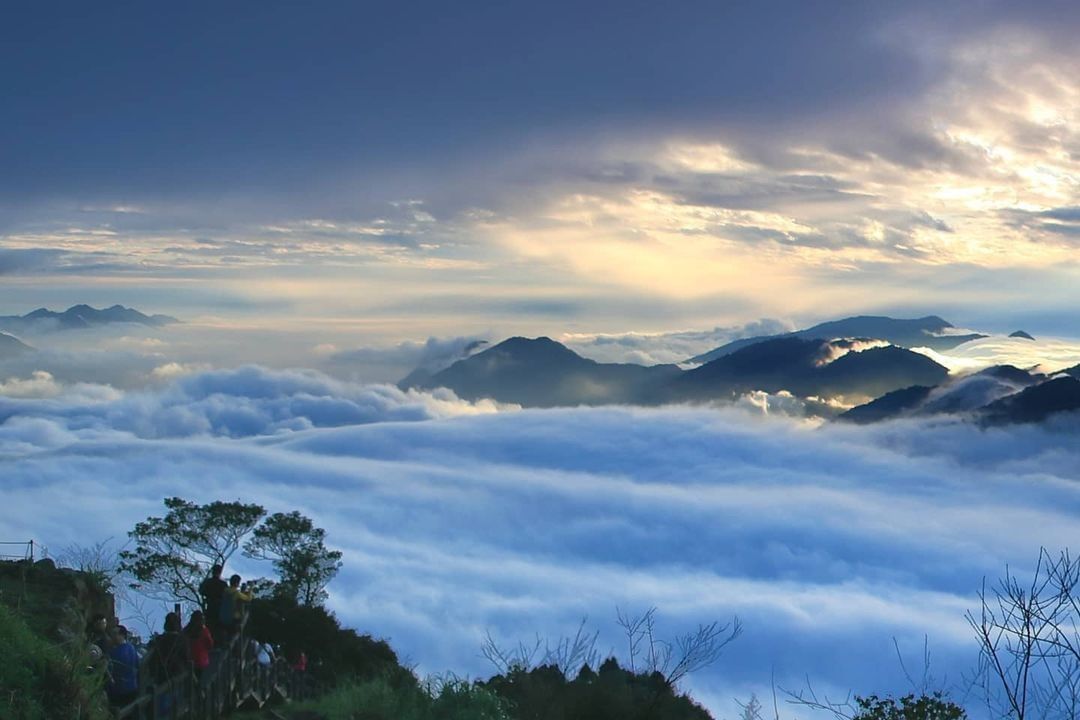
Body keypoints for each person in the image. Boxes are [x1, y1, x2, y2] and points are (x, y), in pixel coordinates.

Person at [106, 625, 139, 708]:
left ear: (122, 635)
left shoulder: (115, 653)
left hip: (119, 690)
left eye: (115, 633)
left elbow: (110, 670)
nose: (112, 636)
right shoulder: (132, 648)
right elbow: (138, 664)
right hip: (133, 687)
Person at [218, 574, 253, 640]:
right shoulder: (236, 593)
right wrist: (251, 588)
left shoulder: (225, 590)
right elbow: (248, 598)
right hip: (233, 619)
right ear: (237, 583)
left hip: (222, 616)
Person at [198, 564, 228, 639]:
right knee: (218, 626)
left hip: (210, 606)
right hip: (220, 608)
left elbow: (201, 591)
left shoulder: (208, 582)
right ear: (220, 572)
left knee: (209, 624)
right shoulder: (223, 584)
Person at [184, 610, 214, 680]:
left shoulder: (186, 630)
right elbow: (210, 644)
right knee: (200, 680)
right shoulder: (204, 631)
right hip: (201, 661)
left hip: (188, 660)